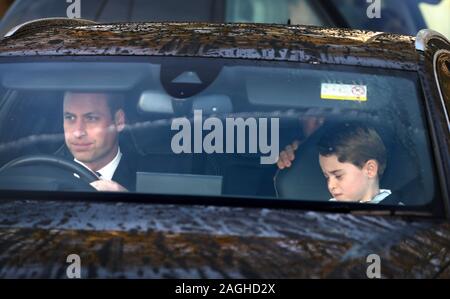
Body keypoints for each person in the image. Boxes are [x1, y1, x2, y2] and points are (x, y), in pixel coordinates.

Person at [278, 122, 394, 203]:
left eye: (338, 176)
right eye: (327, 177)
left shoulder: (396, 211)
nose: (330, 186)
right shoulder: (328, 209)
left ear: (370, 169)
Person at [56, 92, 137, 192]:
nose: (78, 133)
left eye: (91, 118)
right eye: (70, 118)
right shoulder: (40, 172)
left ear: (118, 121)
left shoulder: (152, 176)